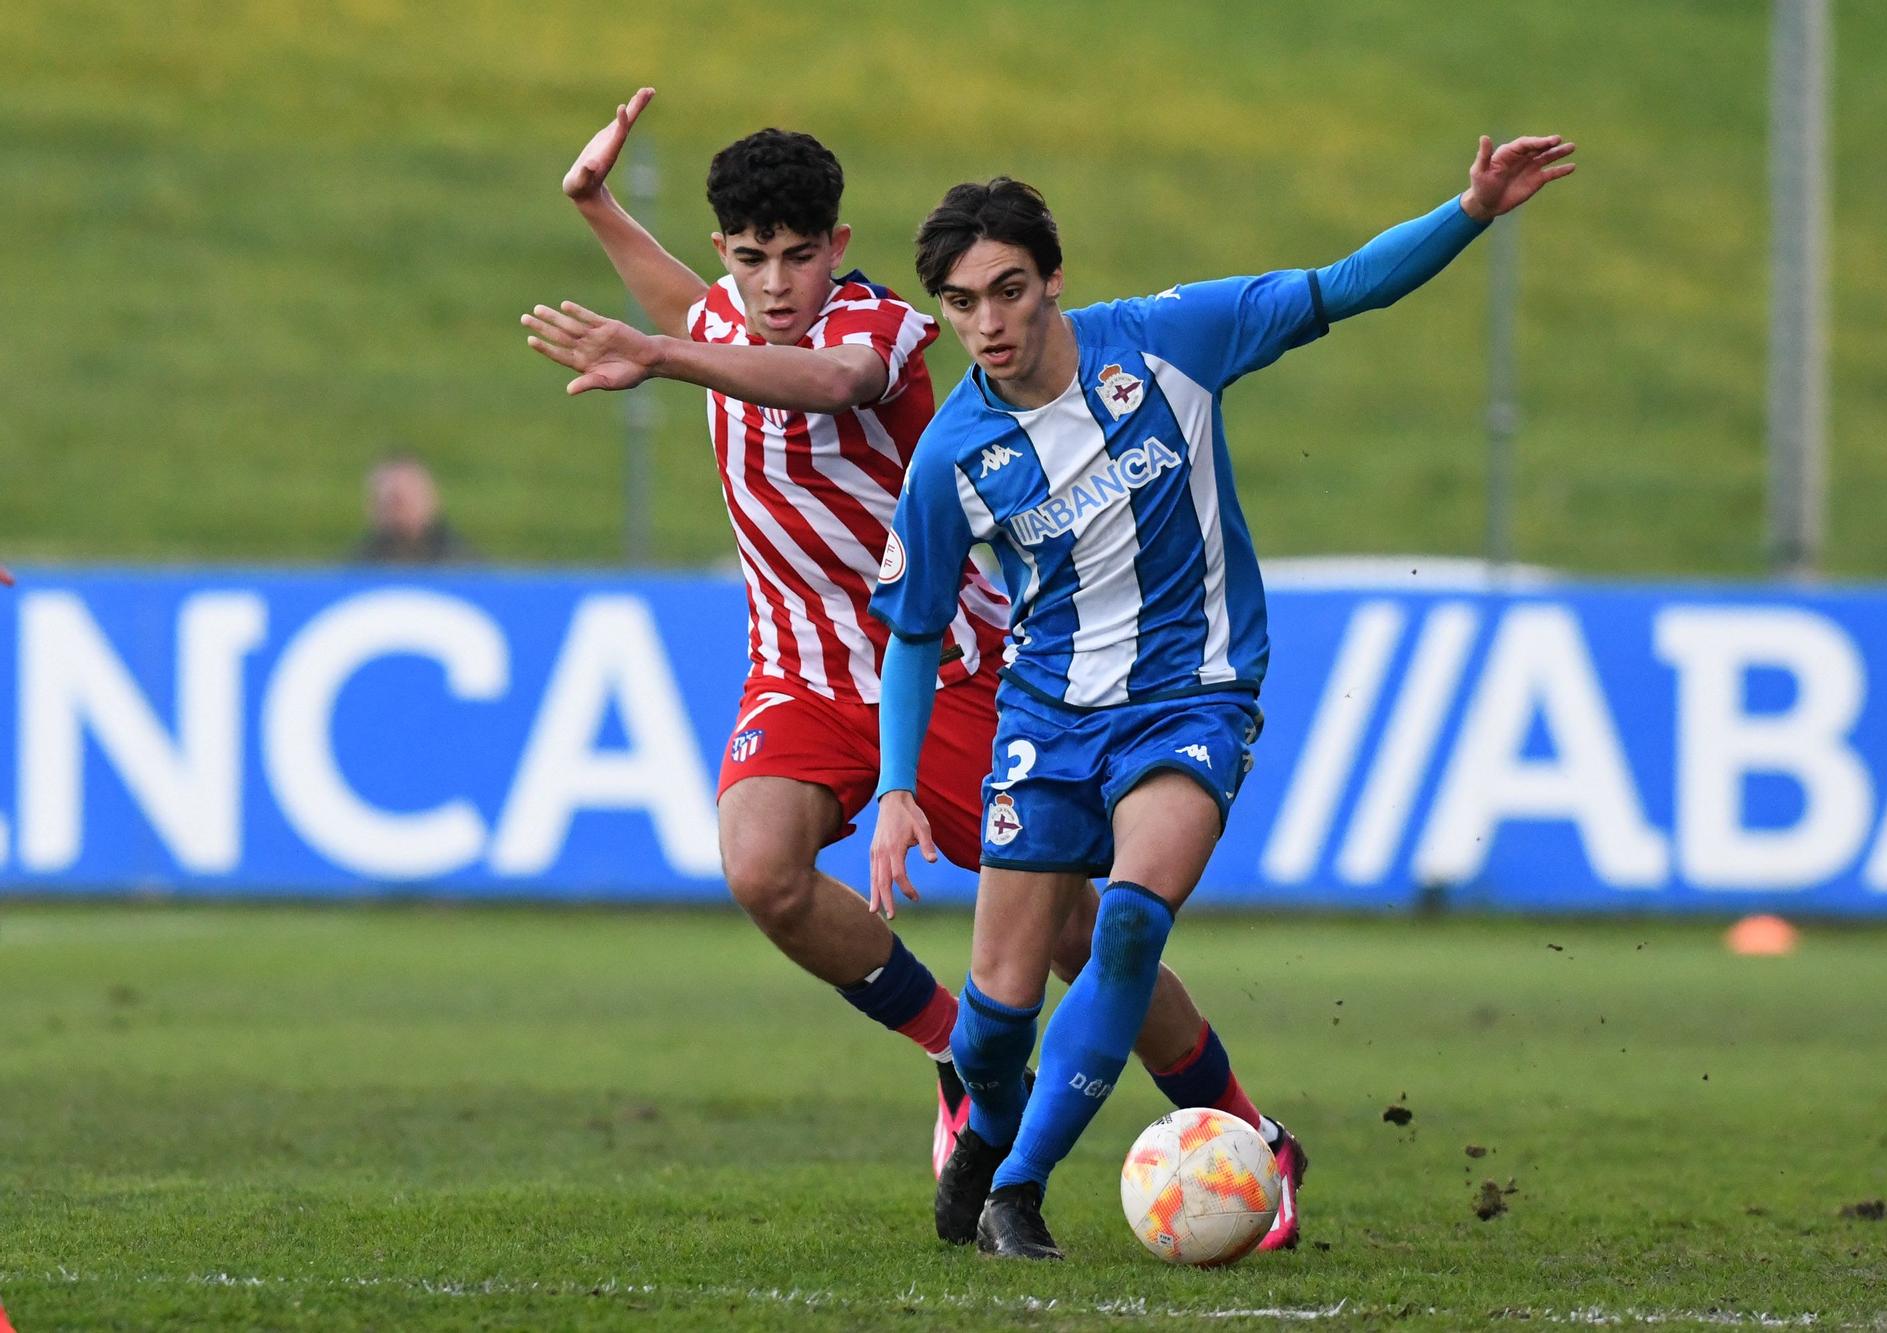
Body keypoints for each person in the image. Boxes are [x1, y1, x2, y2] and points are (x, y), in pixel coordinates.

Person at [521, 91, 1310, 1247]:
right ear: (725, 257)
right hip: (794, 673)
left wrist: (660, 355)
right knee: (760, 870)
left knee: (1074, 938)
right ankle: (953, 1052)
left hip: (947, 672)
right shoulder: (720, 324)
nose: (775, 283)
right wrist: (590, 205)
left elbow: (827, 383)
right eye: (750, 262)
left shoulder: (883, 331)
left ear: (837, 248)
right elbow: (687, 314)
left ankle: (1240, 1125)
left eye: (799, 257)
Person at [870, 133, 1576, 1258]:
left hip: (1191, 696)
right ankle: (989, 1134)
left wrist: (1471, 210)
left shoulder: (1167, 341)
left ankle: (1019, 1186)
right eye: (960, 305)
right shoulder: (952, 455)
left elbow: (1340, 288)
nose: (988, 323)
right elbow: (910, 633)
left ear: (1053, 278)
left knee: (1131, 918)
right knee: (995, 1013)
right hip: (1045, 718)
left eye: (1007, 290)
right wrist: (899, 786)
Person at [350, 453, 476, 564]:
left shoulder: (468, 570)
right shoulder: (351, 573)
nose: (399, 512)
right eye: (392, 502)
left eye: (409, 498)